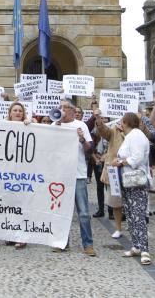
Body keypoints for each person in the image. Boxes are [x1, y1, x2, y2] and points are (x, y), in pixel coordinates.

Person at [52, 98, 96, 257]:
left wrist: (82, 139)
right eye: (60, 107)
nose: (62, 110)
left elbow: (89, 150)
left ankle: (88, 244)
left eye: (65, 107)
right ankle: (62, 242)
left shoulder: (81, 125)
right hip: (60, 175)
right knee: (62, 212)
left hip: (78, 174)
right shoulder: (54, 124)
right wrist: (55, 130)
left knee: (83, 212)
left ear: (71, 110)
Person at [114, 112, 151, 265]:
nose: (120, 124)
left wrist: (121, 162)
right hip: (128, 180)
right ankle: (136, 245)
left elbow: (137, 158)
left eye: (122, 122)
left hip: (136, 181)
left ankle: (144, 250)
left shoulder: (136, 135)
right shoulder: (129, 136)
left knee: (138, 215)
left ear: (127, 122)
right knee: (130, 214)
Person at [95, 110, 125, 239]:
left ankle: (136, 226)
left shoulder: (136, 132)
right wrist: (98, 118)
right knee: (116, 201)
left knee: (132, 202)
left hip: (130, 171)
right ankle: (118, 228)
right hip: (114, 170)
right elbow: (103, 131)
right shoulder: (114, 130)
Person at [5, 101, 29, 249]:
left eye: (20, 110)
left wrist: (31, 124)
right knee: (9, 205)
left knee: (22, 206)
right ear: (10, 113)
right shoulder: (2, 126)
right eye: (15, 110)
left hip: (23, 173)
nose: (18, 113)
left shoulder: (28, 126)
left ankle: (22, 236)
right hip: (7, 172)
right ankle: (11, 235)